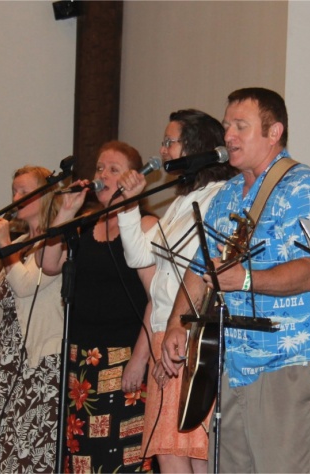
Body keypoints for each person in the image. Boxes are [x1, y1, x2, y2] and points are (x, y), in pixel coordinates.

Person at [161, 87, 310, 473]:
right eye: (227, 126)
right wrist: (177, 324)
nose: (229, 136)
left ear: (274, 132)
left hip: (287, 362)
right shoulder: (226, 196)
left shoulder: (304, 189)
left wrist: (246, 280)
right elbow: (198, 268)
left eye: (241, 126)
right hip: (231, 362)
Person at [116, 109, 237, 472]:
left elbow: (201, 273)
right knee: (176, 449)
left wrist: (176, 329)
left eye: (170, 142)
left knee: (187, 450)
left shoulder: (219, 197)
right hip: (166, 335)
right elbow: (140, 256)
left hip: (190, 337)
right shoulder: (182, 202)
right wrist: (128, 204)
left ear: (196, 147)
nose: (163, 149)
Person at [41, 141, 157, 473]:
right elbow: (50, 265)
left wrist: (139, 359)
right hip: (81, 364)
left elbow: (156, 299)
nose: (102, 174)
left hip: (122, 363)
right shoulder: (84, 225)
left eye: (113, 169)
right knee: (81, 458)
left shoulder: (145, 227)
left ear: (133, 179)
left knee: (120, 458)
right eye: (99, 168)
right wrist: (65, 213)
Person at [0, 166, 64, 473]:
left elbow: (25, 286)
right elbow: (3, 299)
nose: (16, 197)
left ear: (46, 194)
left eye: (25, 191)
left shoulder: (57, 241)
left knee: (28, 448)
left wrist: (4, 244)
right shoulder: (23, 240)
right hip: (6, 360)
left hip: (38, 363)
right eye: (14, 190)